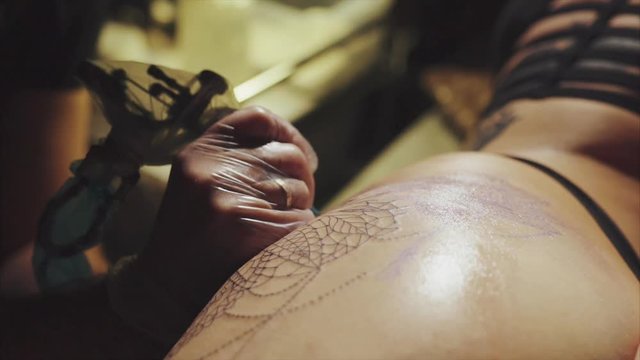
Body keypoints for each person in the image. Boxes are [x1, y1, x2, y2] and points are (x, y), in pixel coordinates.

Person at [3, 0, 639, 358]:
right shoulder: (46, 26)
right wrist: (148, 292)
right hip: (492, 212)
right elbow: (24, 265)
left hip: (513, 219)